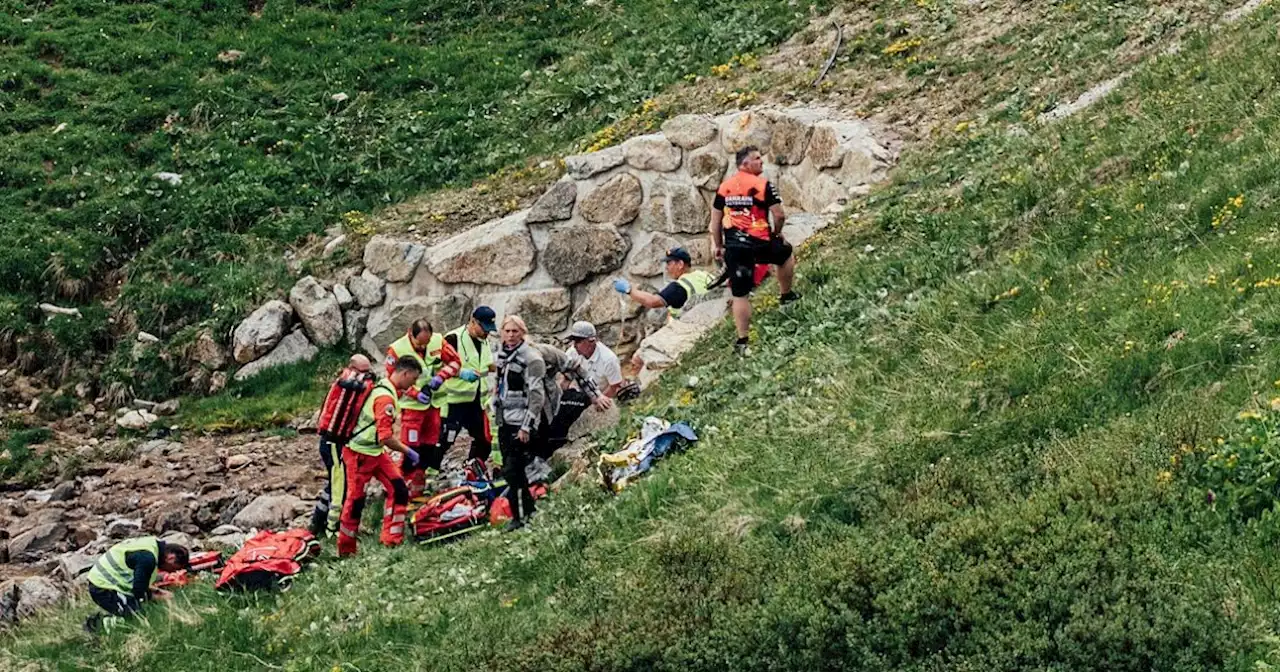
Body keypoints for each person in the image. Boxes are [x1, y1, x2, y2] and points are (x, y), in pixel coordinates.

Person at [493, 316, 610, 530]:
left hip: (535, 417)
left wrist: (595, 395)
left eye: (515, 332)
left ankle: (526, 512)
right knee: (511, 467)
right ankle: (523, 511)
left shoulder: (538, 355)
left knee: (518, 465)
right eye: (506, 331)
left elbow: (572, 370)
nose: (510, 336)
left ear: (523, 333)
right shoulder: (502, 355)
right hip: (508, 418)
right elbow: (500, 385)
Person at [710, 145, 802, 354]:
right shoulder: (763, 185)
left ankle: (743, 339)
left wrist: (719, 245)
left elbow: (715, 222)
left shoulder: (724, 188)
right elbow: (779, 215)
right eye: (757, 159)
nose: (762, 162)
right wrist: (777, 233)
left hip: (735, 247)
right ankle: (786, 295)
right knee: (785, 254)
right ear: (745, 164)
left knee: (740, 293)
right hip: (760, 242)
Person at [336, 357, 423, 556]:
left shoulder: (385, 388)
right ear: (405, 374)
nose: (414, 384)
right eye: (413, 379)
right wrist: (407, 451)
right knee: (355, 501)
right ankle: (346, 550)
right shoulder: (385, 398)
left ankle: (392, 539)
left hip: (375, 453)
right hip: (359, 454)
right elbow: (385, 437)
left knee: (399, 488)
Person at [385, 319, 460, 499]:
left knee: (428, 448)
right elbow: (391, 378)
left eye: (426, 343)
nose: (423, 347)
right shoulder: (396, 349)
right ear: (411, 333)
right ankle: (401, 490)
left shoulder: (437, 341)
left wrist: (441, 377)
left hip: (434, 406)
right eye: (420, 343)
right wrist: (414, 393)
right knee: (411, 449)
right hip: (412, 409)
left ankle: (418, 490)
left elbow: (456, 362)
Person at [309, 354, 376, 537]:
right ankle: (332, 529)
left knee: (333, 484)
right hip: (335, 443)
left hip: (328, 440)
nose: (367, 374)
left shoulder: (340, 383)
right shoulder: (356, 386)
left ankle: (317, 523)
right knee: (340, 487)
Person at [84, 536, 189, 632]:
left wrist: (156, 591)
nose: (171, 572)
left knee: (138, 608)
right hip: (103, 586)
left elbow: (141, 582)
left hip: (105, 579)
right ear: (171, 558)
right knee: (136, 619)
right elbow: (139, 591)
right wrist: (158, 595)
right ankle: (96, 624)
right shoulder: (148, 559)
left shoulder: (151, 544)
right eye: (174, 569)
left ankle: (110, 615)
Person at [438, 306, 499, 464]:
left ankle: (472, 469)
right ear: (473, 322)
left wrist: (502, 367)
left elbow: (487, 365)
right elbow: (438, 368)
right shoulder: (453, 338)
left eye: (489, 330)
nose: (487, 333)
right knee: (445, 441)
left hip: (477, 402)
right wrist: (461, 374)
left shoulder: (484, 340)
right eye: (484, 328)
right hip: (454, 402)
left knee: (485, 440)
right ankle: (428, 478)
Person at [612, 247, 714, 322]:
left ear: (680, 264)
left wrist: (629, 290)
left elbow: (652, 301)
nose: (667, 268)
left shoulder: (679, 287)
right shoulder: (705, 275)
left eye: (669, 264)